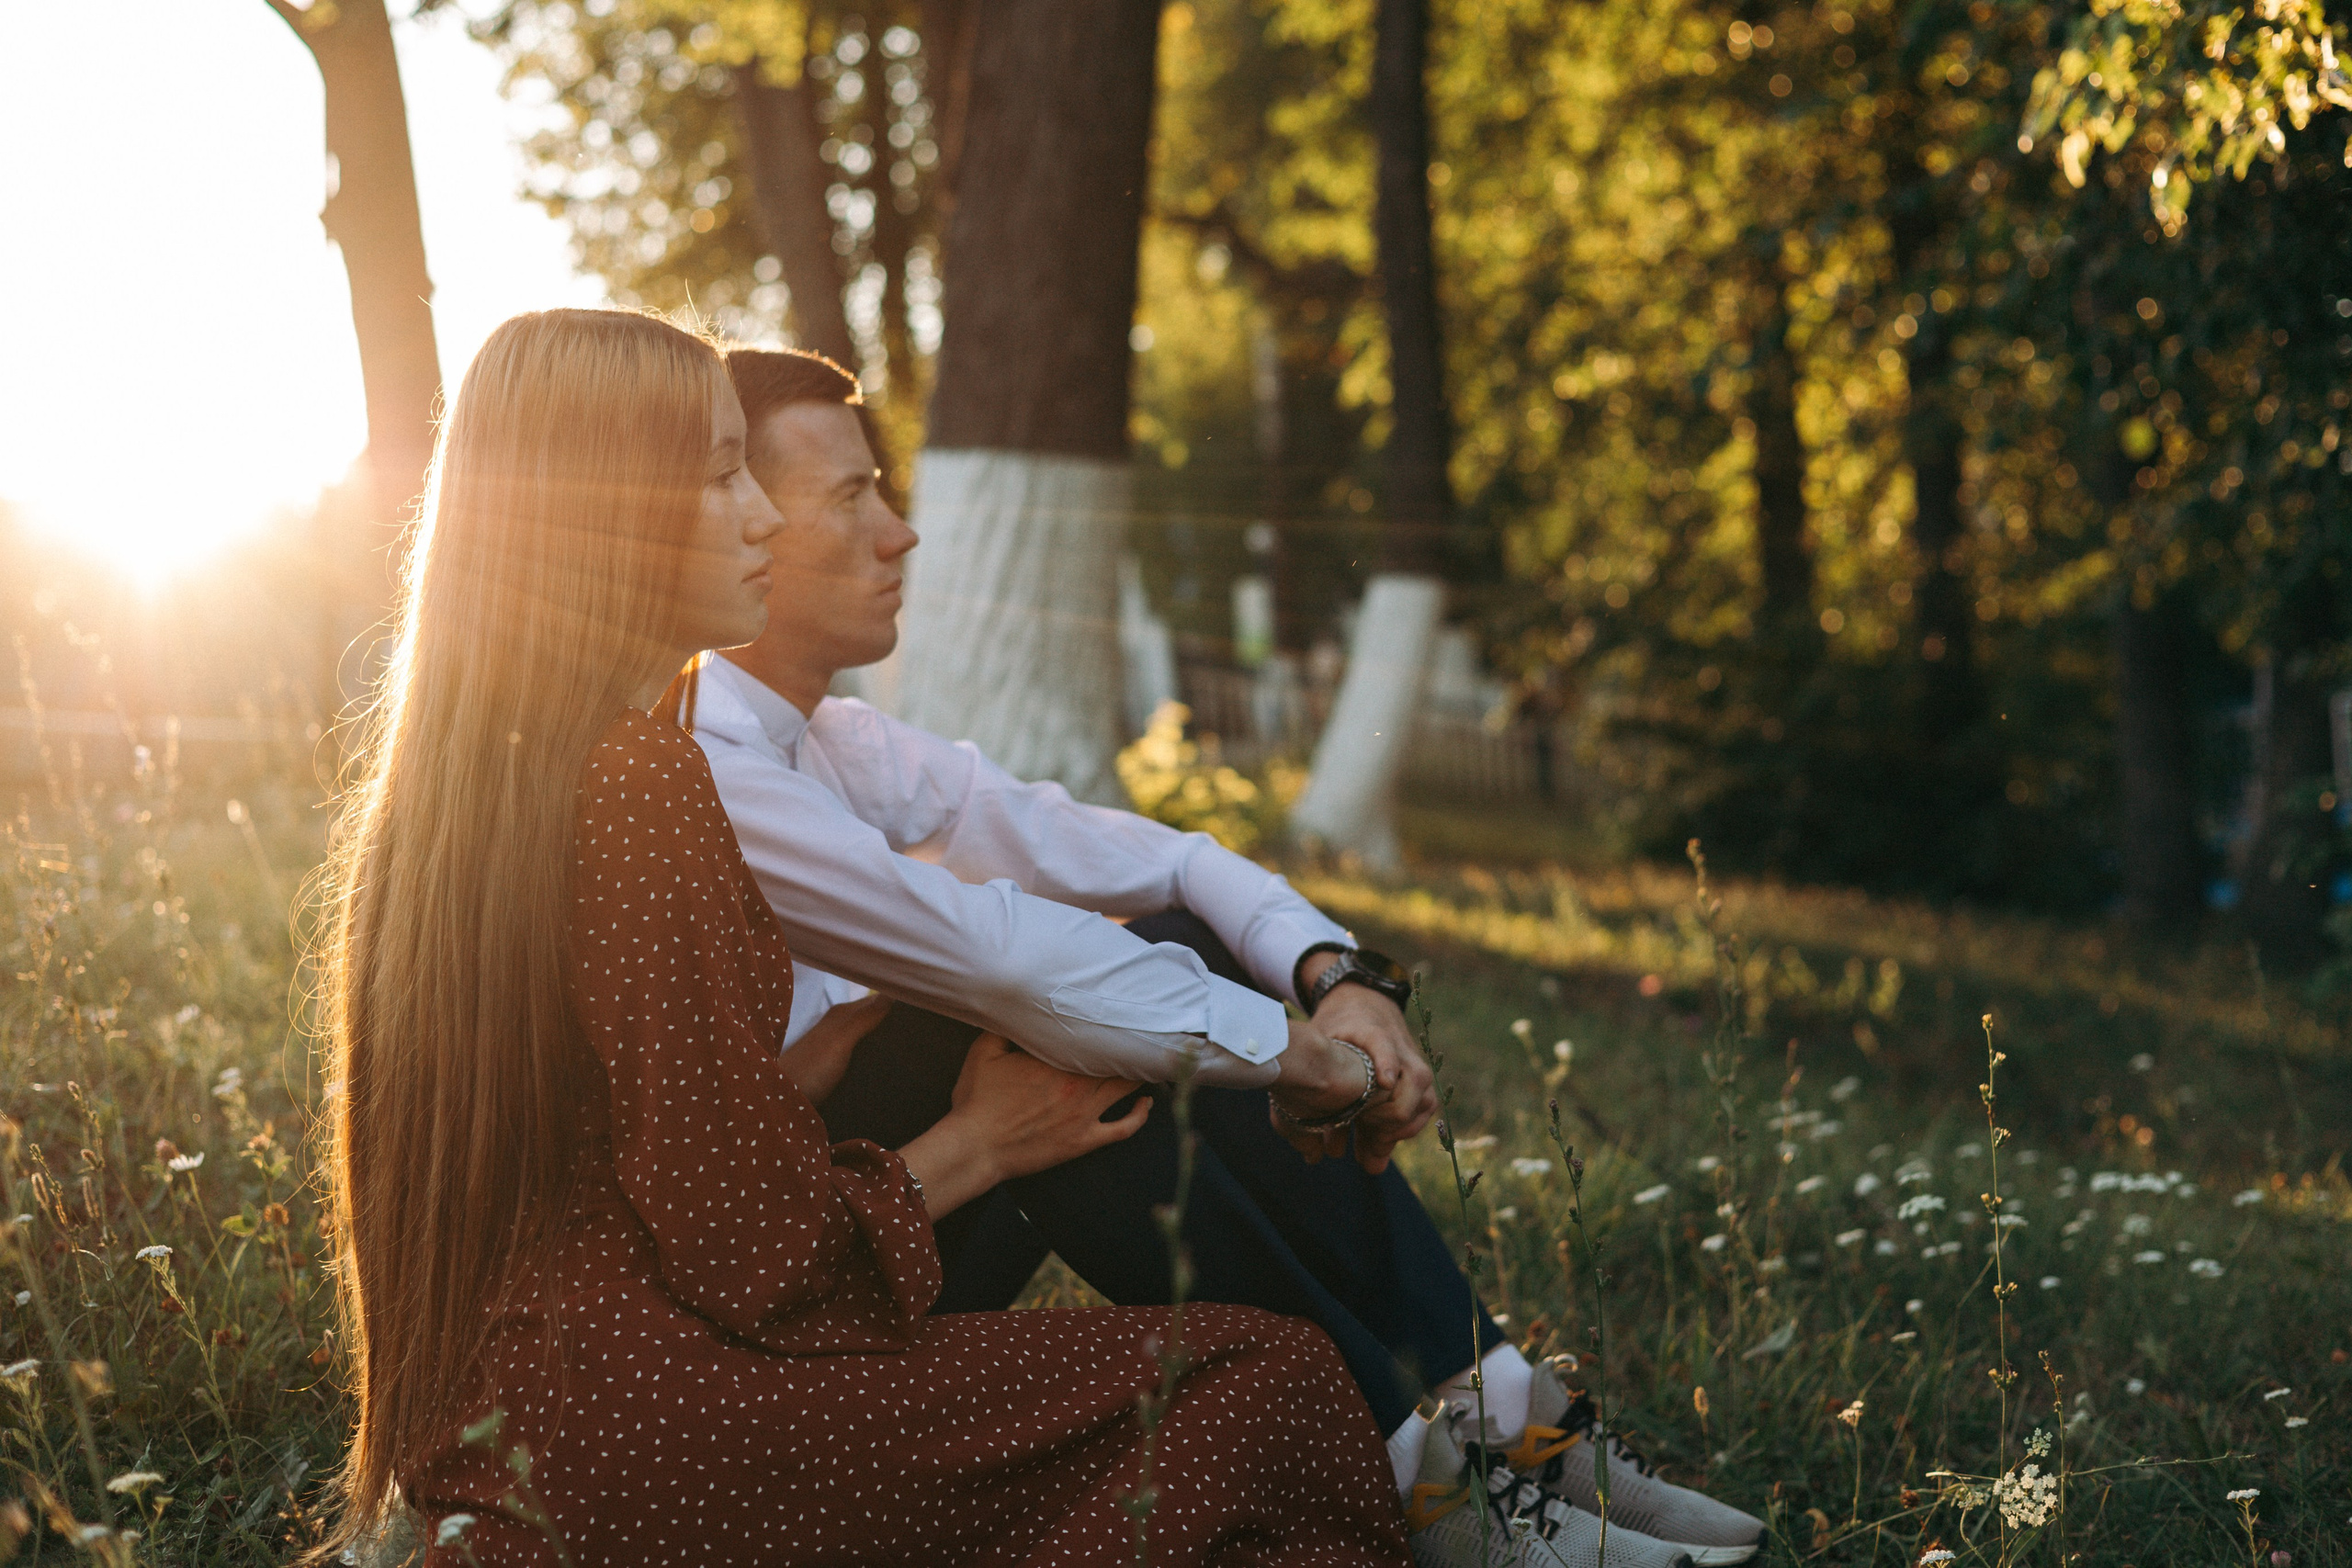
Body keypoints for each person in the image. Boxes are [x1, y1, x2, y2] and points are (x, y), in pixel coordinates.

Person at [311, 307, 1414, 1567]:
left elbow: (600, 1151)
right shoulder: (640, 781)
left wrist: (801, 1069)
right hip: (652, 1425)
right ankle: (1466, 1467)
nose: (764, 518)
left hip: (519, 1419)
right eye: (721, 472)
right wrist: (980, 1142)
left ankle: (1489, 1433)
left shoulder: (478, 792)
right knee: (1269, 1390)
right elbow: (760, 1258)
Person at [684, 346, 1766, 1568]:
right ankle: (1451, 1502)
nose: (902, 534)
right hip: (764, 1291)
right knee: (1041, 1016)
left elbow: (1174, 862)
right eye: (849, 499)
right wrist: (1285, 1057)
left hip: (876, 1213)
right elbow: (993, 958)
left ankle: (1524, 1441)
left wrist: (1333, 981)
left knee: (1145, 962)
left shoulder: (832, 742)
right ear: (740, 522)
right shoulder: (709, 763)